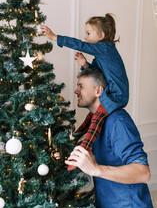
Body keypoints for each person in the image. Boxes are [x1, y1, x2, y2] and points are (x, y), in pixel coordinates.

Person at [40, 14, 129, 170]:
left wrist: (55, 37)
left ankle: (78, 155)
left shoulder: (105, 48)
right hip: (113, 94)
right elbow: (97, 73)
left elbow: (80, 44)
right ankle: (76, 135)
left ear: (101, 36)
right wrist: (84, 64)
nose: (85, 36)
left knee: (96, 121)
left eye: (89, 33)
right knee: (92, 116)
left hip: (116, 96)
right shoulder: (102, 54)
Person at [65, 68, 154, 208]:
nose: (76, 91)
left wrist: (96, 169)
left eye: (81, 86)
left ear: (98, 91)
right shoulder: (95, 121)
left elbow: (143, 173)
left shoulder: (118, 121)